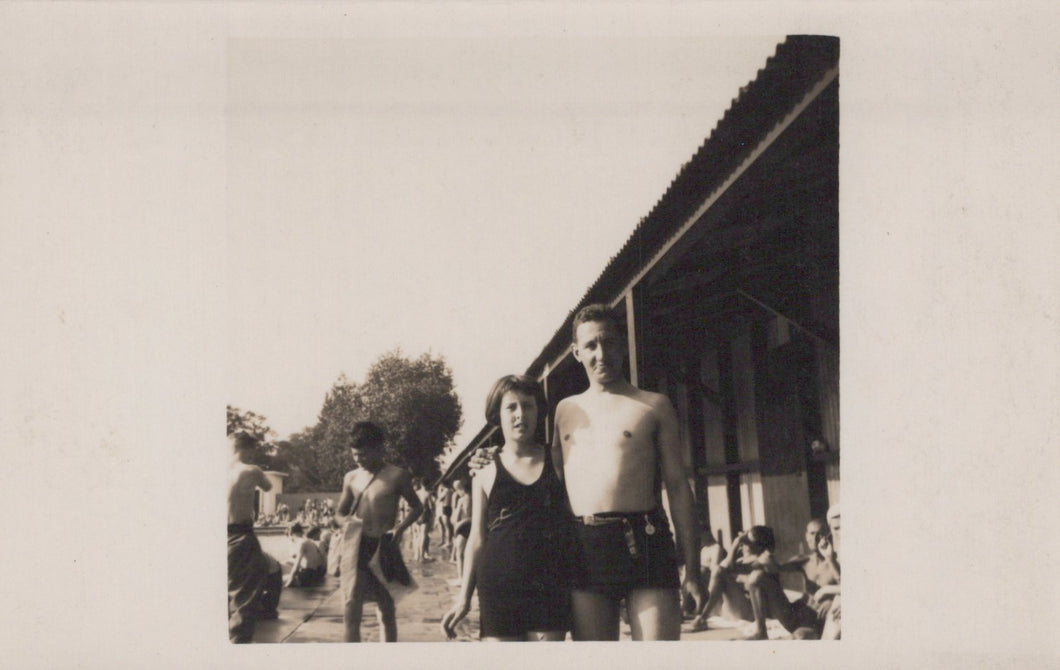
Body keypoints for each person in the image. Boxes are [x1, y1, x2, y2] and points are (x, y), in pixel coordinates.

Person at [554, 303, 702, 640]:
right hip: (586, 545)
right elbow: (546, 476)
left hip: (645, 539)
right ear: (577, 352)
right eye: (591, 345)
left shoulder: (654, 405)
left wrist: (693, 570)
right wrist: (490, 458)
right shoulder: (565, 411)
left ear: (622, 345)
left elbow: (678, 487)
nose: (601, 354)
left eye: (609, 342)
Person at [441, 375, 574, 641]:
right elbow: (477, 538)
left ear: (539, 412)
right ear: (497, 414)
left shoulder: (559, 459)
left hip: (549, 585)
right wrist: (464, 598)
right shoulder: (484, 468)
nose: (520, 414)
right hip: (498, 588)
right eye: (511, 407)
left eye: (528, 406)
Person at [336, 421, 423, 642]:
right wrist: (347, 522)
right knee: (351, 606)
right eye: (355, 455)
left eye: (364, 454)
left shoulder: (397, 475)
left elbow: (417, 507)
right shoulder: (351, 477)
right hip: (356, 548)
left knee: (386, 608)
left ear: (379, 449)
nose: (359, 459)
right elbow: (339, 513)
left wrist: (400, 528)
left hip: (383, 546)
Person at [227, 430, 273, 643]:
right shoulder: (250, 470)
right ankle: (238, 644)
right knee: (245, 594)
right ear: (249, 449)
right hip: (239, 535)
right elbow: (268, 486)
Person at [285, 522, 327, 587]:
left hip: (306, 576)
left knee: (277, 580)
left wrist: (290, 580)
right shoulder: (308, 541)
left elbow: (297, 565)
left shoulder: (301, 543)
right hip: (314, 574)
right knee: (287, 563)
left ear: (290, 534)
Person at [449, 478, 472, 572]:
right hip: (472, 526)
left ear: (463, 489)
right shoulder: (476, 499)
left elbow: (456, 517)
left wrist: (456, 526)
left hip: (463, 527)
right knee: (470, 554)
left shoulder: (462, 500)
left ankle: (461, 577)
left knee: (460, 555)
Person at [435, 482, 454, 549]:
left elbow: (439, 499)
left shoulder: (446, 491)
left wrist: (439, 491)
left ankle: (448, 542)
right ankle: (447, 541)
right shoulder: (451, 490)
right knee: (448, 526)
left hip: (445, 507)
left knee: (446, 526)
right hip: (449, 507)